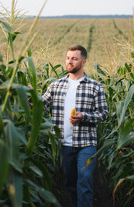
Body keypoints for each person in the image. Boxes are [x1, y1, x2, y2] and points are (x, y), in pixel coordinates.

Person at [42, 45, 108, 207]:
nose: (69, 62)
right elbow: (40, 105)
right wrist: (29, 95)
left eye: (74, 58)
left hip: (86, 143)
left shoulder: (95, 87)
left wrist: (83, 117)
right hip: (64, 143)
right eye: (68, 58)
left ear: (83, 62)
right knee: (70, 183)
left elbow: (103, 114)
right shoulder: (56, 86)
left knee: (84, 181)